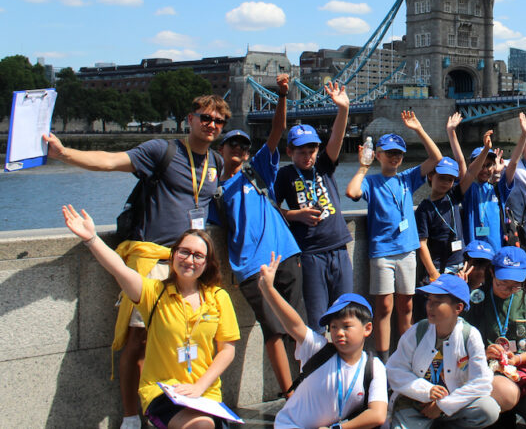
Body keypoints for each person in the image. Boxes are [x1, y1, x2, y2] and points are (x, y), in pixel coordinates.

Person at [46, 94, 229, 429]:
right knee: (138, 341)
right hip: (154, 259)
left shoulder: (216, 162)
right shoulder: (162, 150)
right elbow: (109, 161)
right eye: (206, 118)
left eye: (219, 122)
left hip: (190, 263)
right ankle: (132, 416)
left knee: (176, 339)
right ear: (190, 118)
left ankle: (174, 406)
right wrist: (64, 154)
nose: (212, 125)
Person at [64, 207, 239, 429]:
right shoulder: (153, 293)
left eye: (198, 255)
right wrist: (91, 239)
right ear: (173, 254)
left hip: (205, 393)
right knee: (201, 426)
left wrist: (200, 387)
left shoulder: (218, 297)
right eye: (184, 252)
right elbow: (118, 268)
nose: (189, 260)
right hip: (164, 391)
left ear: (207, 263)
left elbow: (227, 350)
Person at [209, 73, 301, 398]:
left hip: (286, 256)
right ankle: (290, 395)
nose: (239, 148)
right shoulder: (214, 191)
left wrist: (282, 95)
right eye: (232, 143)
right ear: (220, 149)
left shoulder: (258, 170)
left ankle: (308, 390)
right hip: (251, 269)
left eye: (244, 145)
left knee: (297, 329)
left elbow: (277, 131)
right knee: (274, 331)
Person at [345, 110, 444, 357]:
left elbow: (437, 157)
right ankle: (383, 358)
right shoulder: (372, 182)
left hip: (407, 251)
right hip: (382, 253)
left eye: (398, 153)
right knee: (384, 306)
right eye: (389, 153)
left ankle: (406, 355)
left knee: (406, 305)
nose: (394, 157)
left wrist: (419, 129)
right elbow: (352, 192)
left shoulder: (407, 179)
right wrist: (362, 167)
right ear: (378, 155)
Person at [257, 256, 387, 429]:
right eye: (333, 327)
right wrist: (268, 290)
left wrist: (338, 428)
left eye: (347, 326)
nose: (339, 332)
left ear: (367, 328)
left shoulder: (373, 366)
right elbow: (294, 324)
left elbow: (378, 415)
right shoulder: (319, 349)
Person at [275, 82, 353, 329]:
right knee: (318, 319)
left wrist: (343, 110)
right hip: (310, 253)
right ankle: (318, 364)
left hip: (339, 247)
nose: (307, 156)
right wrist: (295, 214)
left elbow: (337, 138)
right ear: (289, 151)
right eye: (301, 151)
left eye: (312, 149)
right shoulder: (285, 175)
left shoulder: (324, 166)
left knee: (346, 314)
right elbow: (271, 209)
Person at [387, 274, 499, 429]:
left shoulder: (470, 335)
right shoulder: (418, 330)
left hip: (452, 405)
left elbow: (481, 382)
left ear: (458, 308)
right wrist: (426, 391)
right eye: (429, 300)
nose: (429, 307)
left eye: (437, 302)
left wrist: (443, 406)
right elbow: (395, 370)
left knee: (488, 409)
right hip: (415, 404)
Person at [463, 246, 526, 429]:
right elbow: (459, 345)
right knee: (506, 395)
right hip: (490, 374)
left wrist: (518, 358)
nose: (507, 289)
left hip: (523, 375)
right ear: (492, 272)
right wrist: (484, 352)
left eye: (515, 285)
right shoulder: (476, 300)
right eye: (502, 283)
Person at [452, 116, 526, 251]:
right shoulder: (469, 189)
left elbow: (513, 163)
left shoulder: (498, 190)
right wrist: (451, 131)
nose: (485, 170)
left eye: (489, 165)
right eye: (481, 165)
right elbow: (461, 164)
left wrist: (524, 135)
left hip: (495, 252)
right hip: (474, 253)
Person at [415, 157, 466, 284]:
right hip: (438, 268)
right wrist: (433, 274)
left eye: (450, 179)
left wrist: (486, 149)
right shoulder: (424, 209)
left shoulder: (453, 196)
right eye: (442, 177)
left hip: (458, 266)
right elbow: (422, 243)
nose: (445, 182)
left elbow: (469, 173)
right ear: (431, 176)